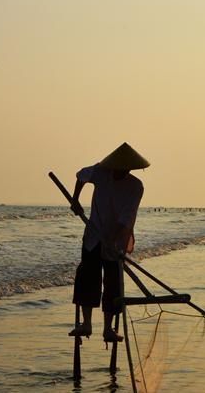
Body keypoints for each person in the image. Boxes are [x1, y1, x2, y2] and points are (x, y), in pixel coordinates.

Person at [68, 142, 148, 344]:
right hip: (93, 236)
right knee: (88, 278)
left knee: (112, 284)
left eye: (124, 169)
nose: (119, 172)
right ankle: (86, 324)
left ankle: (107, 329)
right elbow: (80, 176)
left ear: (129, 168)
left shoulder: (135, 186)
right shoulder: (100, 172)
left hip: (117, 239)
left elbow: (126, 218)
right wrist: (75, 200)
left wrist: (113, 241)